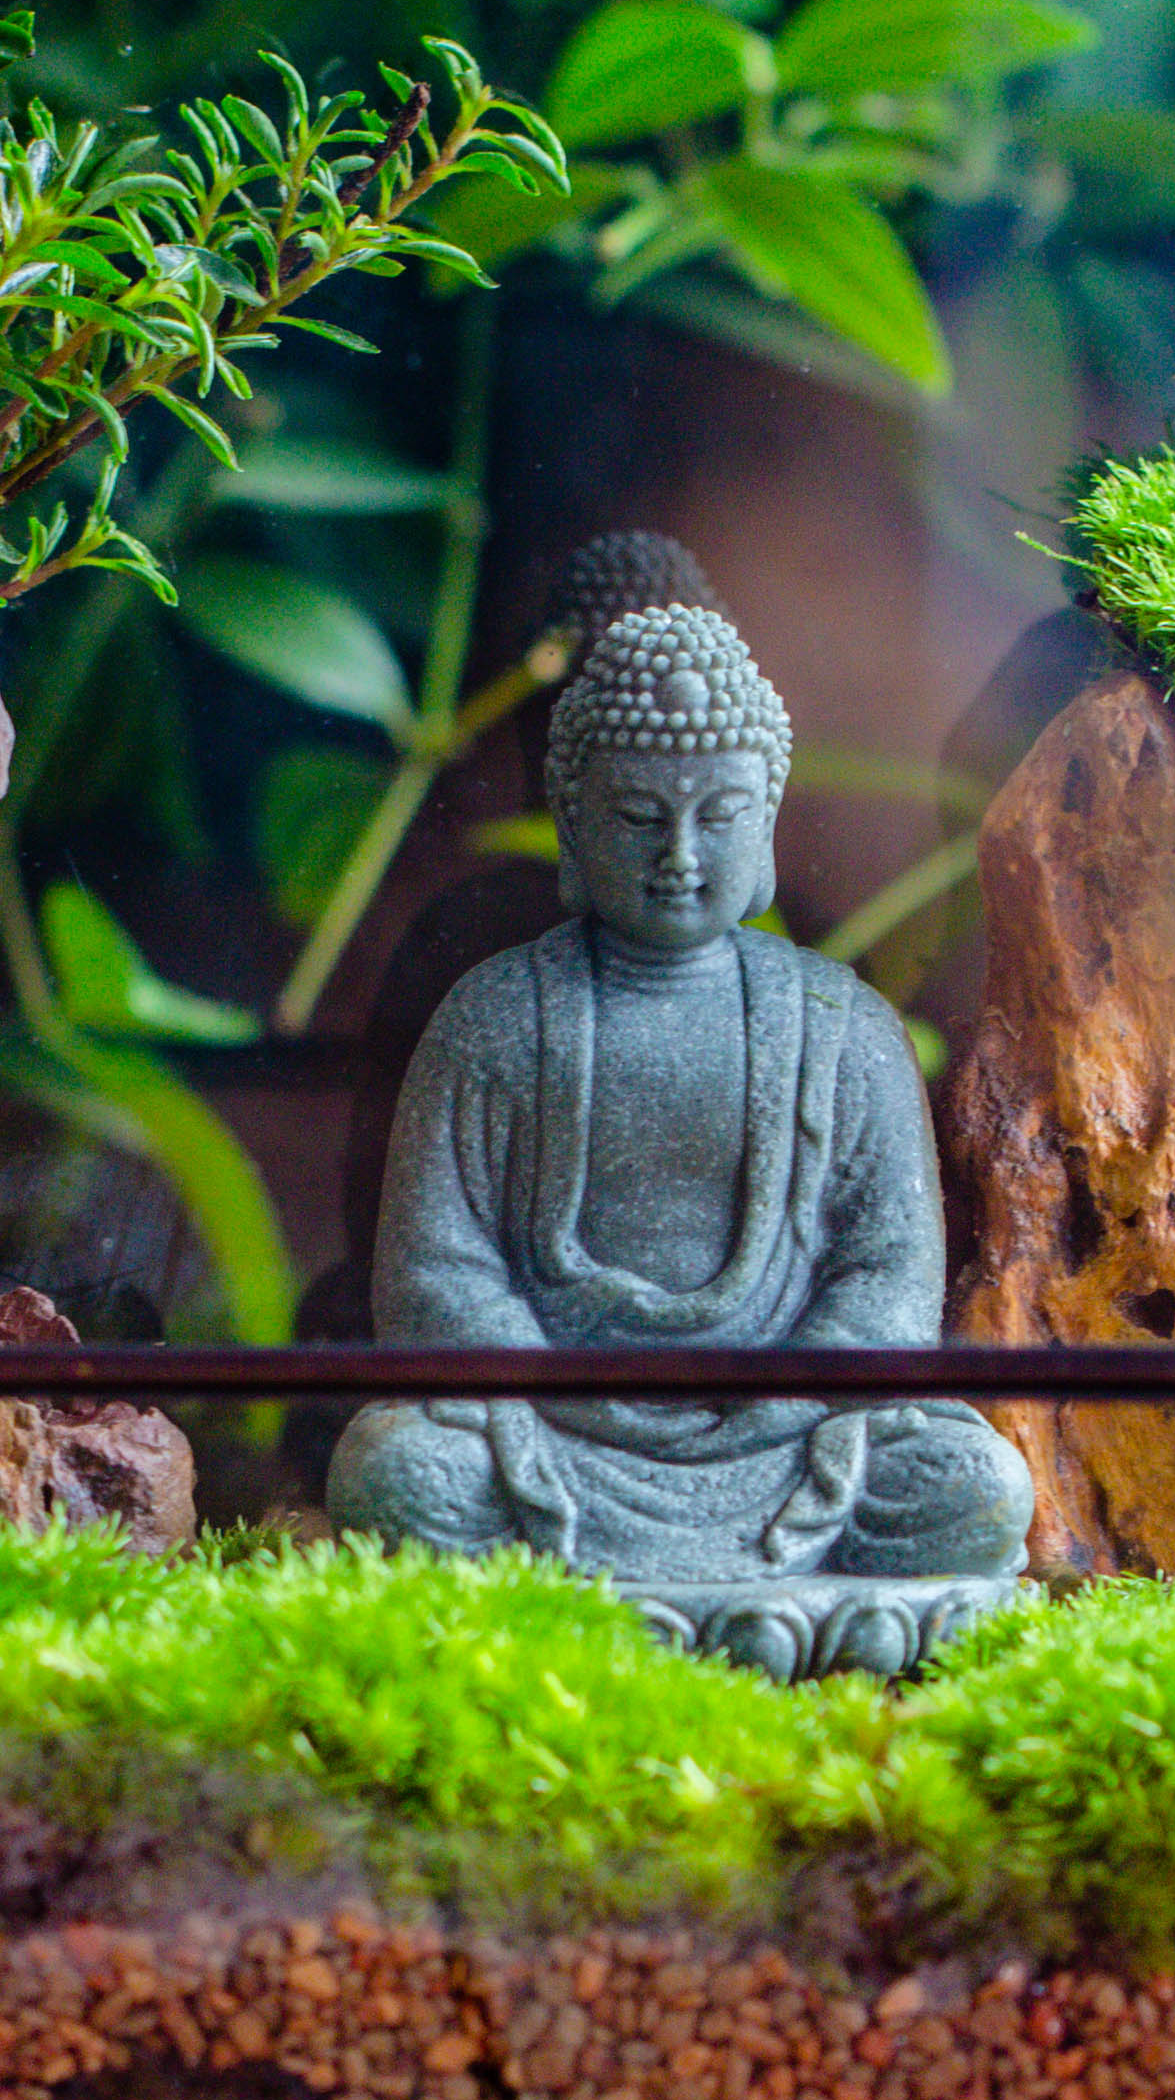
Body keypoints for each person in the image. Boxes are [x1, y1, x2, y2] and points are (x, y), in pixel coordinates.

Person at [326, 601, 1032, 1672]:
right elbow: (434, 1269)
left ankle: (596, 1619)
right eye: (638, 816)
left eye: (720, 815)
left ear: (768, 818)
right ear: (572, 824)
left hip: (792, 1438)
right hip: (551, 1434)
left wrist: (787, 1393)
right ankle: (800, 1632)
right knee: (400, 1472)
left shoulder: (842, 1025)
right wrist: (554, 1387)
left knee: (978, 1489)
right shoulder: (495, 1016)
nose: (681, 854)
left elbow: (889, 1271)